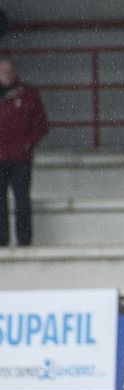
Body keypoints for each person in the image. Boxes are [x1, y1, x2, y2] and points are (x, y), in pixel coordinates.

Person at [0, 55, 49, 248]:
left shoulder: (28, 95)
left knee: (22, 201)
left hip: (20, 159)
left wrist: (27, 144)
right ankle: (2, 241)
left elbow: (41, 124)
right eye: (3, 72)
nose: (7, 75)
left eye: (9, 71)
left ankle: (24, 241)